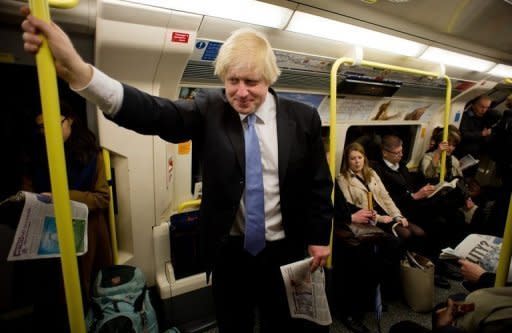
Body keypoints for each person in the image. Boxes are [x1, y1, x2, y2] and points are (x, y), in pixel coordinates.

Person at [20, 7, 333, 333]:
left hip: (286, 249)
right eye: (232, 81)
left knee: (282, 324)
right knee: (233, 325)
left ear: (269, 78)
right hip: (230, 253)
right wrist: (81, 73)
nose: (240, 92)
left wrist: (319, 237)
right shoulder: (211, 108)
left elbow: (318, 185)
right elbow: (156, 113)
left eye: (251, 82)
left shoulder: (302, 119)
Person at [21, 100, 113, 330]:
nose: (47, 132)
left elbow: (101, 198)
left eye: (53, 124)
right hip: (48, 235)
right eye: (41, 128)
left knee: (85, 293)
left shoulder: (93, 156)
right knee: (53, 298)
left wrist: (61, 196)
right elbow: (28, 193)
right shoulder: (35, 157)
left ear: (70, 119)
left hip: (87, 233)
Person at [332, 180, 401, 333]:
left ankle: (365, 299)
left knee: (392, 244)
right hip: (328, 229)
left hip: (341, 220)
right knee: (360, 255)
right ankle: (349, 312)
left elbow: (341, 203)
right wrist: (350, 217)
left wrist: (362, 211)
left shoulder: (330, 174)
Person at [338, 142, 425, 250]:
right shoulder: (343, 179)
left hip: (384, 210)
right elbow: (350, 206)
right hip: (370, 218)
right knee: (405, 234)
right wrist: (379, 219)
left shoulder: (371, 172)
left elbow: (385, 197)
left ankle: (411, 259)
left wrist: (397, 215)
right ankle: (404, 259)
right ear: (347, 161)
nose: (357, 161)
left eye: (359, 157)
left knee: (419, 232)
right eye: (353, 159)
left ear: (364, 158)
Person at [456, 95, 494, 177]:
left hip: (476, 156)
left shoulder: (486, 118)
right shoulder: (465, 116)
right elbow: (463, 134)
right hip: (463, 153)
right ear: (474, 105)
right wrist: (481, 134)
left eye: (487, 107)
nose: (484, 110)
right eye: (482, 107)